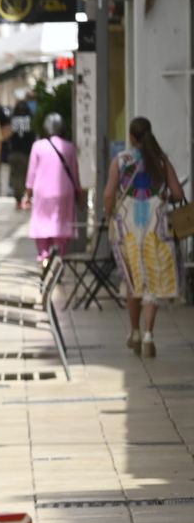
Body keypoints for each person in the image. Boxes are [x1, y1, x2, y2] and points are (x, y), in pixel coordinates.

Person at [104, 116, 187, 358]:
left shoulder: (121, 161)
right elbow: (178, 193)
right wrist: (163, 198)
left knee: (133, 281)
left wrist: (108, 214)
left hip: (128, 229)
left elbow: (109, 194)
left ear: (131, 137)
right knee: (152, 280)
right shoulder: (161, 160)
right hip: (155, 228)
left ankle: (135, 332)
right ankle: (150, 334)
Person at [20, 113, 84, 265]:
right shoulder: (69, 147)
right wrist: (79, 194)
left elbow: (31, 174)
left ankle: (44, 255)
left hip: (43, 192)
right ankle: (59, 257)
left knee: (42, 223)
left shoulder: (38, 146)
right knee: (62, 223)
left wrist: (27, 194)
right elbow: (75, 174)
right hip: (65, 193)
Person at [7, 91, 37, 195]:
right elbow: (34, 135)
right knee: (26, 174)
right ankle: (26, 196)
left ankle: (18, 197)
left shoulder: (11, 119)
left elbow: (8, 135)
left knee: (16, 175)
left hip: (14, 151)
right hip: (27, 151)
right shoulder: (31, 119)